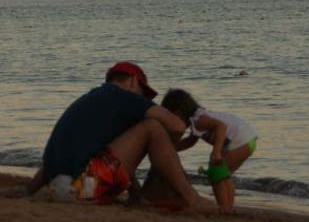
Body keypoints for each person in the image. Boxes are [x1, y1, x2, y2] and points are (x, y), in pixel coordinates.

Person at [23, 62, 206, 209]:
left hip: (56, 190)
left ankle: (138, 196)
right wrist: (199, 126)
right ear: (133, 81)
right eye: (142, 93)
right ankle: (191, 198)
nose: (143, 98)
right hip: (82, 188)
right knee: (152, 127)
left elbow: (58, 155)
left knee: (122, 142)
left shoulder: (91, 100)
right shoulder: (126, 98)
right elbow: (177, 126)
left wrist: (28, 191)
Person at [160, 89, 257, 213]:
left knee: (216, 174)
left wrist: (216, 151)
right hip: (248, 139)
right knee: (223, 175)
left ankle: (224, 207)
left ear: (178, 112)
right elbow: (190, 141)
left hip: (240, 140)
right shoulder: (197, 121)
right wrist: (170, 149)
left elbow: (221, 126)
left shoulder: (198, 120)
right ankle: (228, 208)